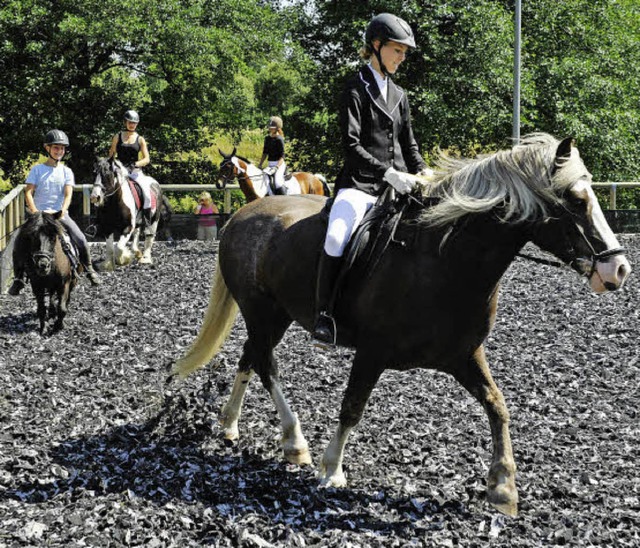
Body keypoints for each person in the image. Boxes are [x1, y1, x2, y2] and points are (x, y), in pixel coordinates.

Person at [313, 13, 431, 345]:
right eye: (398, 50)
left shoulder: (400, 94)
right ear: (376, 46)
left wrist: (423, 171)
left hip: (399, 186)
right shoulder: (355, 88)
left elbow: (409, 145)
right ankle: (326, 315)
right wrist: (387, 172)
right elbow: (350, 144)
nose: (402, 58)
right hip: (360, 184)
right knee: (337, 238)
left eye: (405, 53)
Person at [8, 129, 101, 295]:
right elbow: (28, 192)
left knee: (80, 238)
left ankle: (89, 269)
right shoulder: (37, 170)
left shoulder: (66, 171)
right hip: (38, 215)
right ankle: (18, 279)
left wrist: (63, 210)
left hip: (58, 214)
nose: (59, 151)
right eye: (56, 148)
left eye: (62, 149)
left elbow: (68, 194)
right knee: (18, 242)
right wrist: (36, 212)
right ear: (47, 148)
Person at [108, 109, 153, 220]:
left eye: (134, 123)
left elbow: (147, 159)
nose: (132, 125)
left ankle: (147, 219)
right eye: (130, 122)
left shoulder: (140, 139)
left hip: (134, 172)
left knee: (146, 193)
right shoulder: (117, 137)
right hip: (119, 170)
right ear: (125, 122)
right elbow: (111, 155)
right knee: (103, 189)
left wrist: (135, 164)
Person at [258, 116, 287, 195]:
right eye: (270, 127)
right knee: (262, 180)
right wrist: (260, 164)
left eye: (272, 127)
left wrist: (277, 167)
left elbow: (282, 156)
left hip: (279, 165)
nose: (270, 129)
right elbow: (265, 153)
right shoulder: (267, 138)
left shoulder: (279, 139)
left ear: (277, 128)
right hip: (270, 164)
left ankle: (284, 199)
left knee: (277, 182)